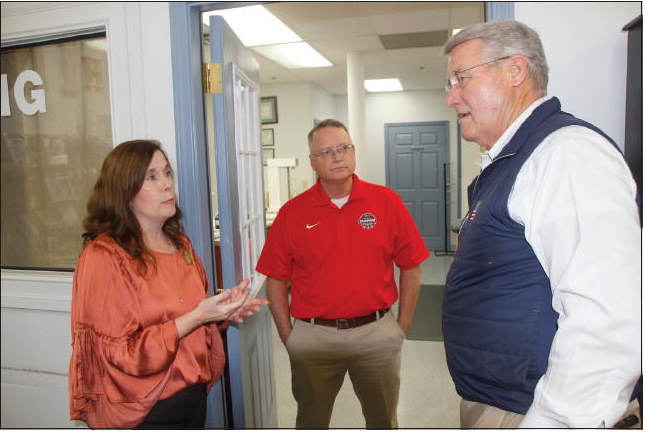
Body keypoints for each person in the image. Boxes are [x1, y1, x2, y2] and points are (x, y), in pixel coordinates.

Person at [441, 19, 641, 428]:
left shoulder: (566, 155)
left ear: (515, 70)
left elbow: (606, 318)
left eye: (460, 79)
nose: (450, 98)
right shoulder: (513, 159)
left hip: (531, 412)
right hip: (501, 400)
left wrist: (555, 422)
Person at [68, 140, 268, 428]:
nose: (167, 185)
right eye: (151, 177)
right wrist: (198, 316)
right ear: (124, 192)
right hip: (143, 410)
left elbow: (185, 318)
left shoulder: (180, 244)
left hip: (191, 395)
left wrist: (219, 315)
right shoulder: (105, 257)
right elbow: (119, 354)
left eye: (167, 173)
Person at [256, 119, 430, 428]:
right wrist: (290, 338)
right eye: (326, 152)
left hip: (376, 334)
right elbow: (276, 280)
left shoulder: (386, 202)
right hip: (314, 337)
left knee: (383, 421)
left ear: (353, 152)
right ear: (312, 162)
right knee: (311, 420)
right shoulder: (292, 213)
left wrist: (399, 328)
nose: (338, 157)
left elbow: (411, 266)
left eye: (344, 148)